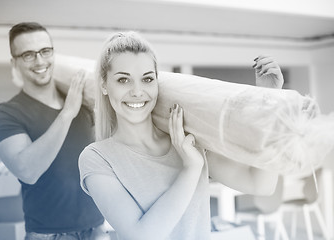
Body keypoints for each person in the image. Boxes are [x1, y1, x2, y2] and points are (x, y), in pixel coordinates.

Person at [78, 31, 282, 240]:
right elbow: (141, 236)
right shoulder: (97, 158)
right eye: (123, 80)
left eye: (147, 79)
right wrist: (191, 168)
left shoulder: (188, 141)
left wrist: (270, 102)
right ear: (104, 85)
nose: (137, 91)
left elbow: (261, 184)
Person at [0, 22, 105, 240]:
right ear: (14, 62)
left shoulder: (83, 103)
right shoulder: (8, 113)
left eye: (45, 51)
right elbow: (27, 171)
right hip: (49, 235)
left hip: (96, 229)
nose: (40, 61)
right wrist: (66, 114)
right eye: (28, 55)